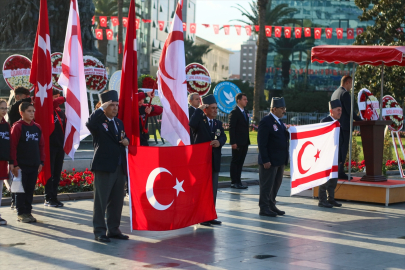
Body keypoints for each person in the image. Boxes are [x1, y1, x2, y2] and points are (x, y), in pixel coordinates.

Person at [86, 90, 130, 243]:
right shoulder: (98, 122)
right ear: (104, 106)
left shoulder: (118, 122)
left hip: (119, 166)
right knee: (101, 201)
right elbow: (89, 123)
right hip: (104, 166)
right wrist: (100, 109)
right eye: (111, 105)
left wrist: (127, 141)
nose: (115, 108)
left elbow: (124, 137)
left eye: (116, 105)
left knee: (117, 200)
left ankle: (114, 229)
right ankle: (99, 231)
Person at [189, 94, 227, 226]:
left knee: (212, 190)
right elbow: (191, 124)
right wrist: (199, 109)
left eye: (216, 108)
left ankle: (210, 215)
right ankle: (201, 217)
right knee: (202, 191)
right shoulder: (200, 121)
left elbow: (223, 137)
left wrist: (219, 142)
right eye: (212, 108)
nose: (216, 110)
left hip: (214, 161)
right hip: (201, 162)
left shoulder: (217, 123)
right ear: (205, 109)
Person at [10, 102, 45, 223]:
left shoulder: (37, 127)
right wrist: (14, 164)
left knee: (30, 189)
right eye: (29, 111)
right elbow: (12, 146)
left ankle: (28, 212)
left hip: (34, 164)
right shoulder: (18, 127)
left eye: (33, 111)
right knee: (20, 190)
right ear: (22, 113)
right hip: (20, 166)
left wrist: (41, 161)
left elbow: (41, 145)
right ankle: (21, 213)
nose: (32, 113)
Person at [257, 97, 289, 217]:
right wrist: (265, 159)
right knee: (267, 185)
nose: (284, 111)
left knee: (276, 184)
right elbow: (262, 143)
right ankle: (264, 207)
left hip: (279, 160)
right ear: (274, 109)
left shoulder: (279, 122)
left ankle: (271, 204)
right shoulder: (266, 121)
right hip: (269, 161)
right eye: (282, 108)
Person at [331, 76, 362, 180]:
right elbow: (350, 111)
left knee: (337, 149)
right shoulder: (345, 94)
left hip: (335, 125)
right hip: (344, 127)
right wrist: (360, 120)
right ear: (347, 82)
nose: (351, 87)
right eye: (351, 84)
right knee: (343, 150)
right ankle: (340, 172)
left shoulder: (335, 93)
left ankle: (335, 170)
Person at [7, 86, 31, 210]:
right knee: (16, 176)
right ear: (17, 97)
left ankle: (22, 202)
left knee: (23, 178)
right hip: (15, 147)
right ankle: (14, 200)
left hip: (26, 147)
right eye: (24, 97)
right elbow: (20, 105)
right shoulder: (12, 108)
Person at [318, 100, 343, 208]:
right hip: (326, 155)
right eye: (338, 110)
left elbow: (340, 141)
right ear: (331, 111)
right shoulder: (325, 121)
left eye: (341, 110)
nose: (340, 112)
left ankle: (331, 199)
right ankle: (322, 200)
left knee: (333, 179)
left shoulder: (338, 123)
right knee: (325, 179)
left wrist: (340, 157)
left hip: (335, 156)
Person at [44, 90, 66, 207]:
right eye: (55, 97)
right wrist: (66, 98)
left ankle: (54, 197)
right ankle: (48, 197)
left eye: (59, 96)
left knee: (57, 174)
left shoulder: (61, 113)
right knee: (50, 173)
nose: (58, 99)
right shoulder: (48, 110)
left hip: (60, 147)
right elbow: (50, 103)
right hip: (50, 147)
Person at [228, 93, 250, 189]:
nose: (246, 101)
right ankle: (234, 182)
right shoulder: (234, 112)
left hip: (245, 141)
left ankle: (239, 181)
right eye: (244, 99)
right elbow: (232, 128)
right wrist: (233, 142)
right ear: (239, 100)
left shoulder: (245, 111)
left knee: (241, 162)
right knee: (235, 161)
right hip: (237, 142)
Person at [0, 99, 11, 225]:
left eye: (5, 108)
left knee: (0, 190)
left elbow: (10, 144)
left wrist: (11, 161)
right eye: (2, 108)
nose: (4, 111)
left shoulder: (6, 125)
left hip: (2, 162)